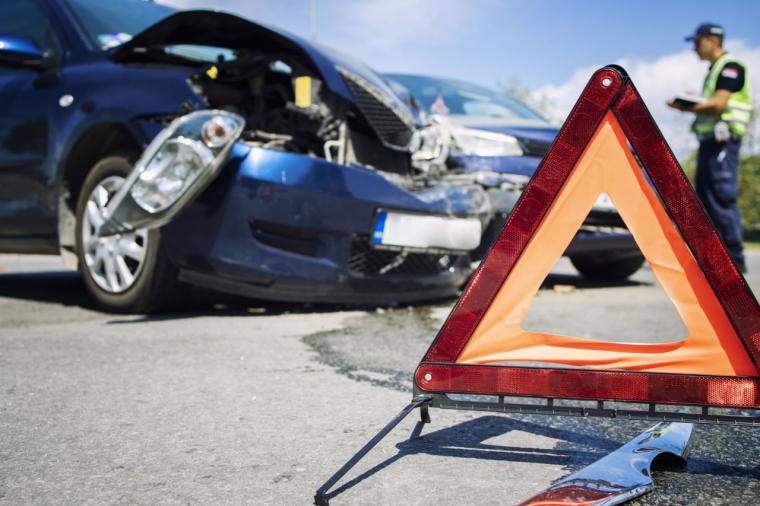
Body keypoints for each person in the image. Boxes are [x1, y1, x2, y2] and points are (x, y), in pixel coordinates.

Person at [667, 22, 752, 273]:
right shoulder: (715, 70)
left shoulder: (730, 67)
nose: (694, 48)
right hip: (710, 143)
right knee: (706, 197)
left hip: (722, 142)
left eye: (696, 42)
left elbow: (718, 104)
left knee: (720, 197)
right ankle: (716, 259)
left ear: (712, 40)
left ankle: (734, 262)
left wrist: (686, 106)